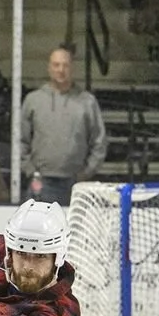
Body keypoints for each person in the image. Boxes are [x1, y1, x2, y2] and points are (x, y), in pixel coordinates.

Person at [20, 47, 106, 206]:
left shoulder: (87, 102)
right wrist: (30, 171)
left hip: (75, 184)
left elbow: (99, 142)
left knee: (73, 230)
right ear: (49, 67)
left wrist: (85, 173)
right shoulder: (33, 100)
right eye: (56, 65)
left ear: (72, 68)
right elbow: (20, 139)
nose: (61, 70)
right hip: (40, 181)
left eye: (65, 65)